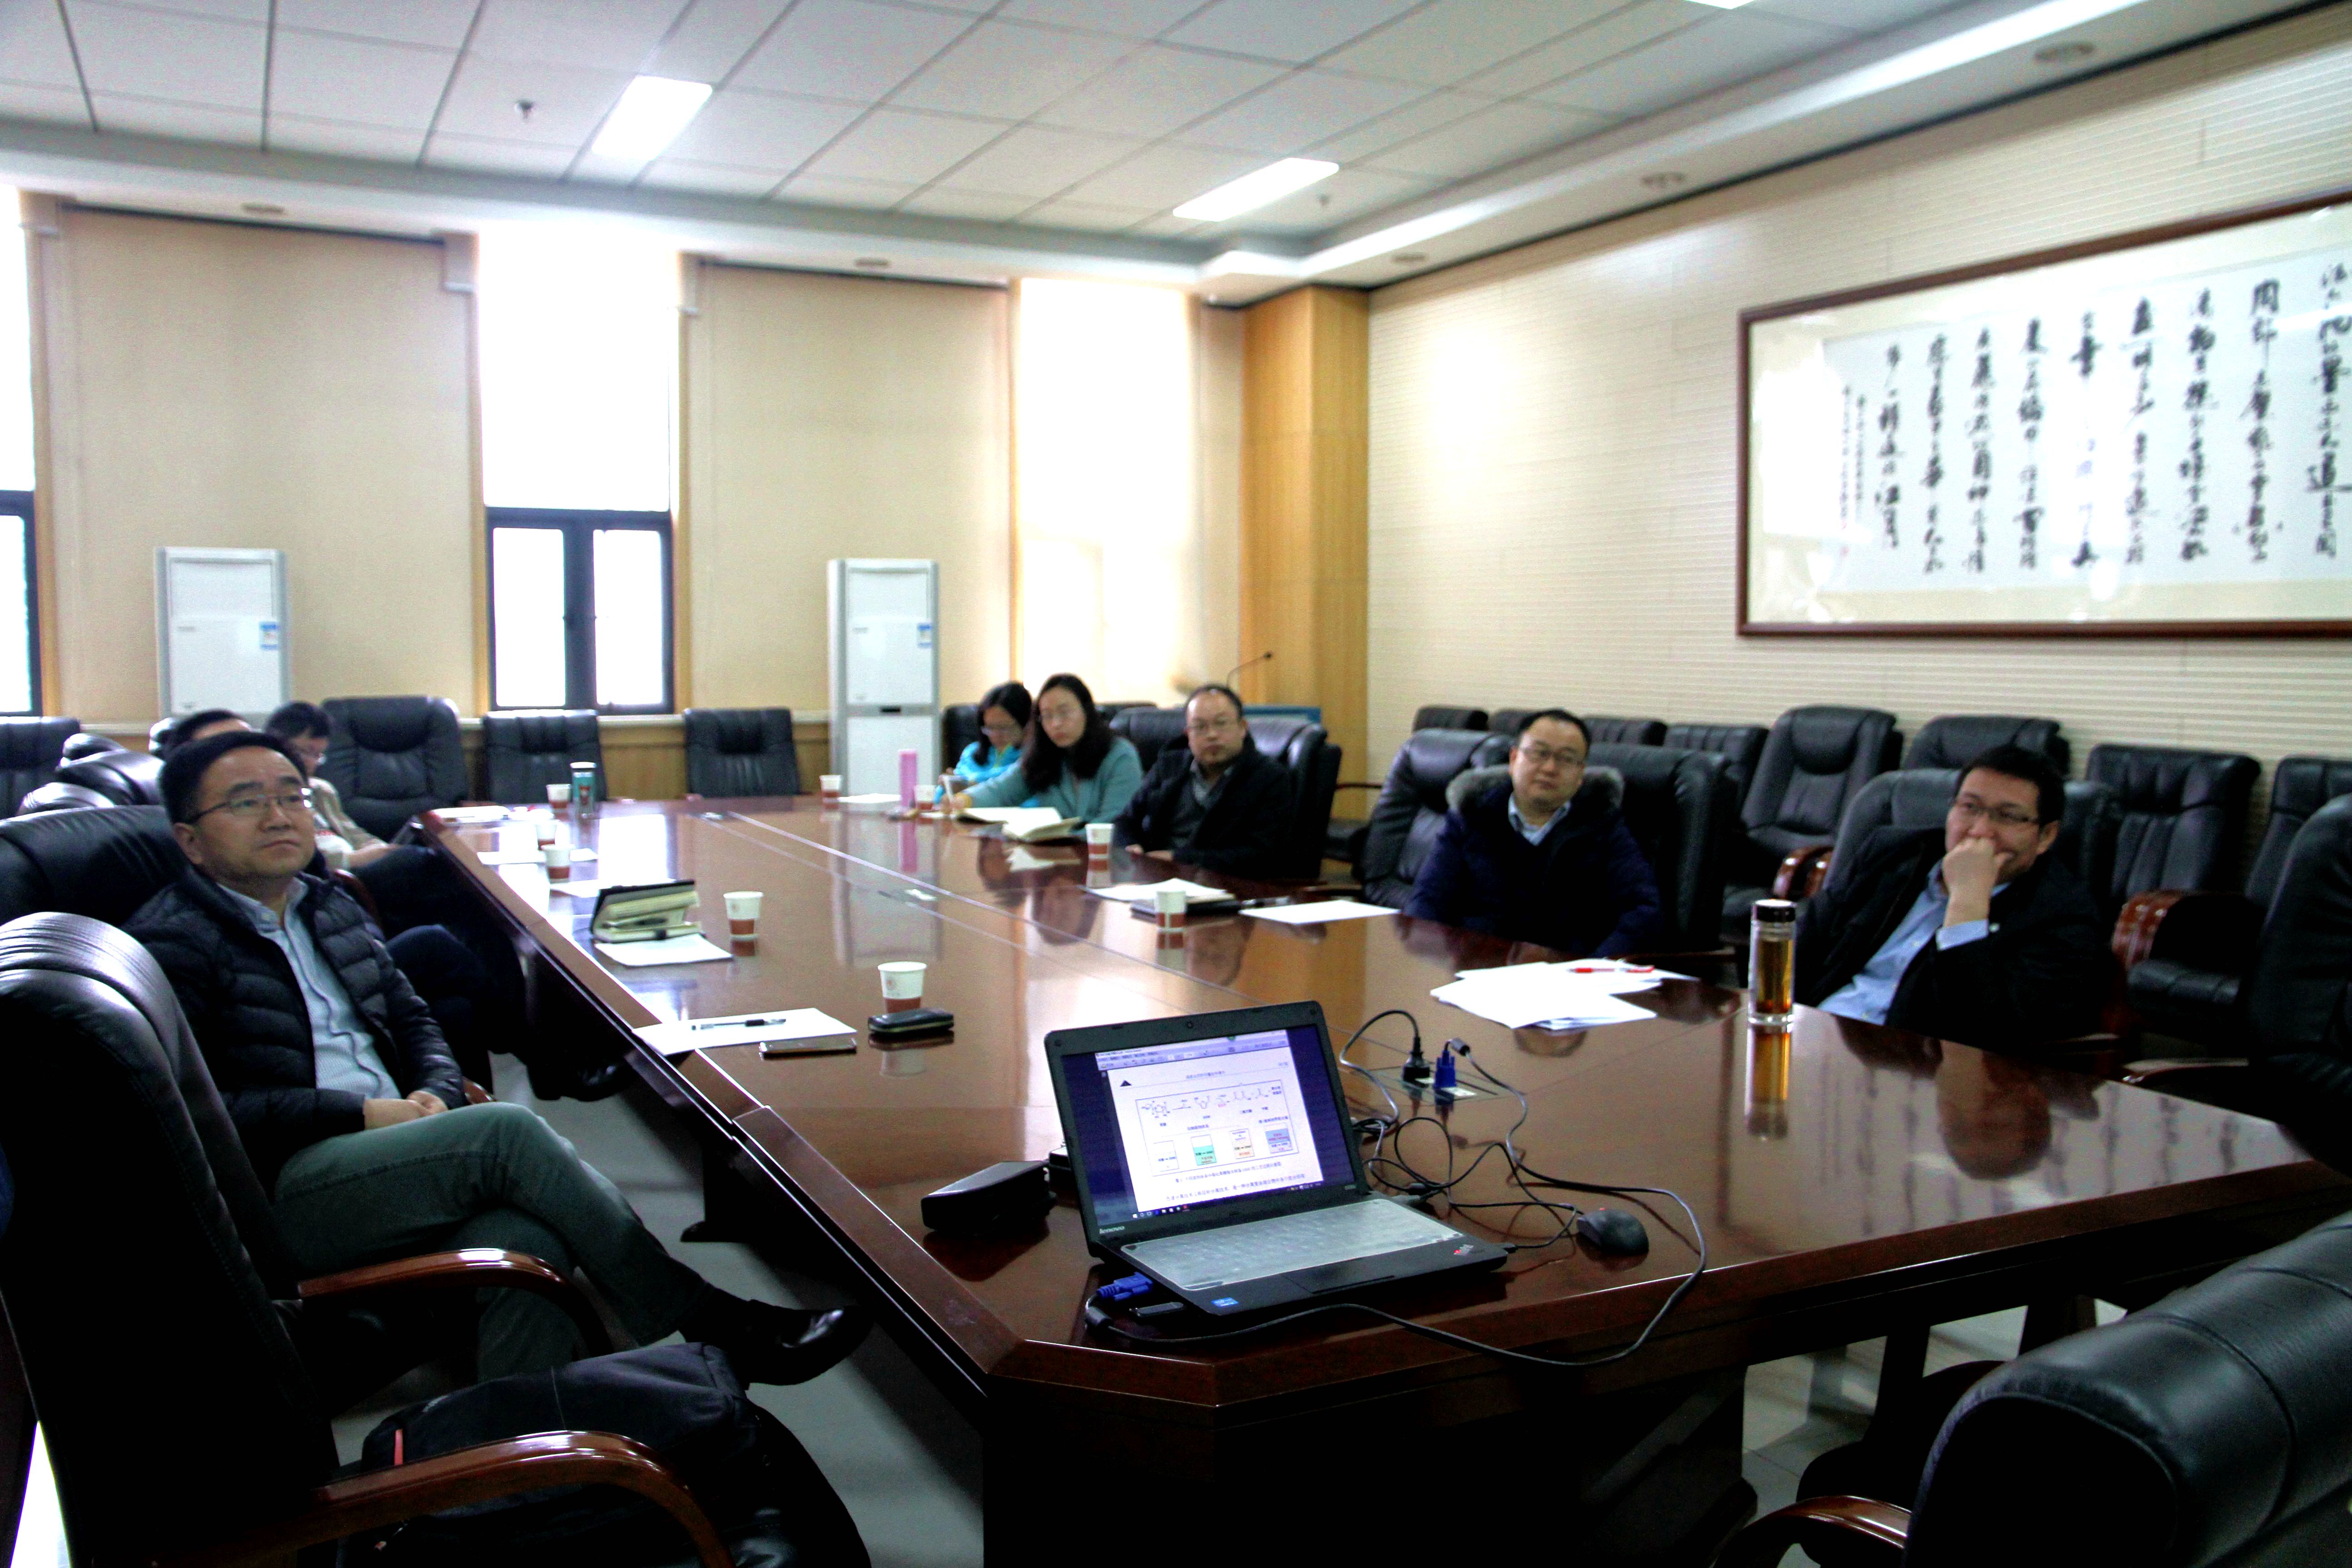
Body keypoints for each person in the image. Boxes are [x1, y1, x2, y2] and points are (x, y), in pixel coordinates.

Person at [127, 729, 868, 1382]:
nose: (279, 815)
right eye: (247, 802)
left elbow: (412, 1017)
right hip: (283, 1192)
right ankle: (711, 1319)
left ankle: (534, 1450)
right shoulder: (172, 943)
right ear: (190, 839)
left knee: (525, 1247)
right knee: (506, 1131)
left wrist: (435, 1091)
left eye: (290, 795)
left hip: (394, 1145)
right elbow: (197, 1118)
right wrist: (359, 1112)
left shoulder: (328, 904)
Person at [263, 701, 618, 1101]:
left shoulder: (318, 792)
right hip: (355, 886)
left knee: (476, 933)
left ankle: (536, 1065)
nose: (311, 763)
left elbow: (357, 837)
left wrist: (383, 849)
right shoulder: (280, 815)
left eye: (317, 754)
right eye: (304, 752)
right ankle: (545, 1057)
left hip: (365, 886)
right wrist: (381, 855)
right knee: (445, 883)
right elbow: (334, 861)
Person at [1794, 744, 2109, 1048]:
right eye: (1969, 808)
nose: (1980, 830)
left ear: (2046, 836)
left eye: (2008, 816)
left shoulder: (2063, 916)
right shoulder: (1893, 854)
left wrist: (1968, 904)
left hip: (1913, 1066)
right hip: (1813, 1036)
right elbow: (1804, 943)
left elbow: (1982, 1033)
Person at [1404, 709, 1661, 956]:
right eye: (1539, 753)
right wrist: (1439, 960)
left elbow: (1644, 910)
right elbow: (1429, 900)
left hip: (1567, 973)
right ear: (1514, 759)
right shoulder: (1472, 816)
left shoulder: (1602, 823)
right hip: (1477, 967)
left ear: (1580, 775)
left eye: (1566, 759)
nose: (1550, 768)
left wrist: (1592, 969)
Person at [1112, 684, 1295, 877]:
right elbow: (1126, 820)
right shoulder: (1170, 766)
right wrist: (1131, 847)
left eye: (1221, 724)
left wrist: (1179, 859)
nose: (1212, 735)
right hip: (1155, 877)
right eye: (1200, 727)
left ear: (1243, 728)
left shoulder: (1269, 778)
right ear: (1188, 735)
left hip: (1224, 882)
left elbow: (1261, 855)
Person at [947, 672, 1142, 823]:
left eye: (1064, 713)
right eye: (1047, 716)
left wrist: (1064, 839)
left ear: (1087, 712)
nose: (1055, 724)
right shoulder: (1045, 756)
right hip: (1055, 855)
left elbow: (1115, 823)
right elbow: (1002, 791)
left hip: (1105, 857)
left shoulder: (1120, 756)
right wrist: (964, 801)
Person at [948, 682, 1030, 788]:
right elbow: (943, 793)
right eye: (990, 728)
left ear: (1026, 724)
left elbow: (1019, 791)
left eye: (1003, 728)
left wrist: (969, 785)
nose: (996, 735)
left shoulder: (1032, 759)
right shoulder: (971, 753)